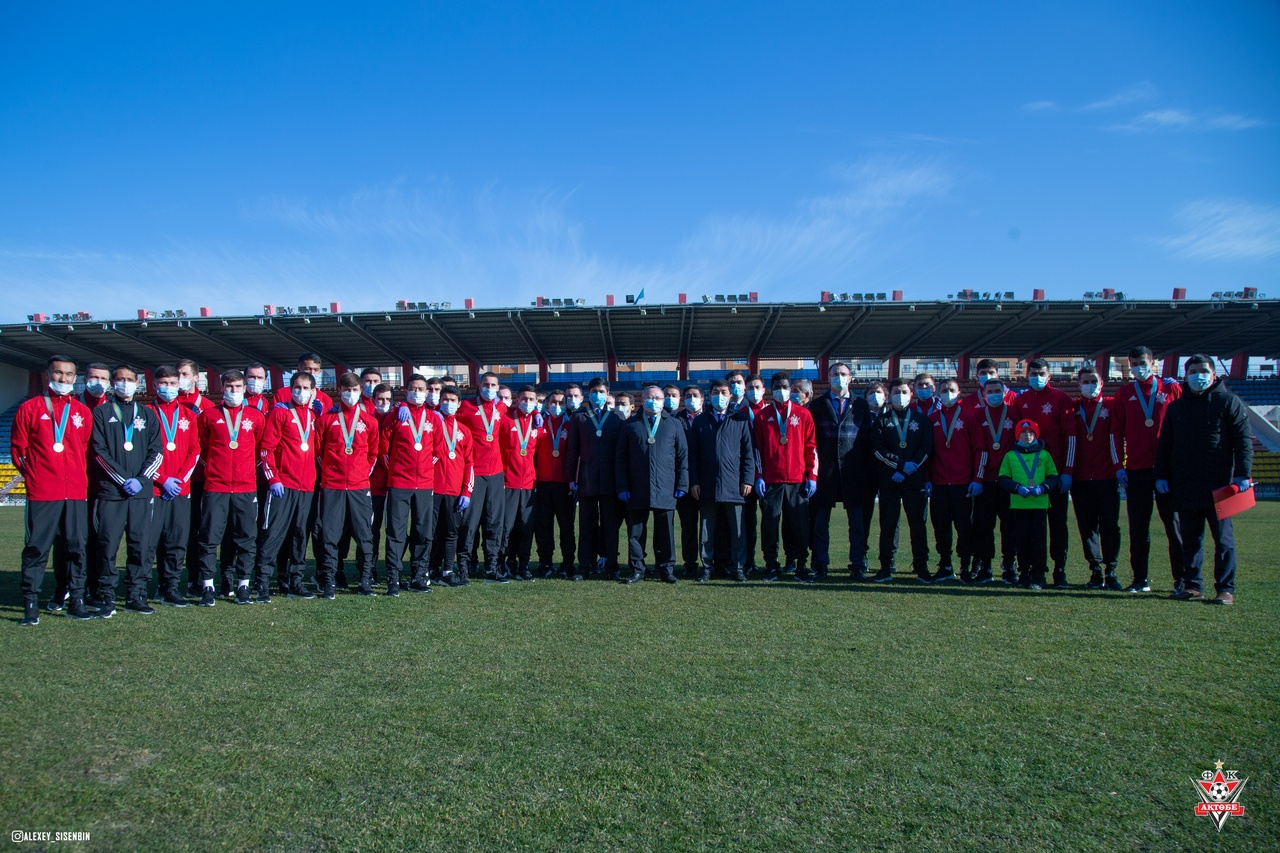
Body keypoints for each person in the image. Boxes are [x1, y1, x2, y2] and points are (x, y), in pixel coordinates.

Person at [1156, 355, 1252, 605]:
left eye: (1203, 371)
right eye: (1193, 371)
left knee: (1223, 539)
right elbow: (1165, 445)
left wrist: (1243, 473)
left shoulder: (1228, 401)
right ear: (1186, 375)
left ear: (1213, 374)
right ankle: (1192, 585)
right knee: (1190, 539)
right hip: (1185, 483)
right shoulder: (1176, 408)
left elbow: (1242, 440)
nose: (1198, 376)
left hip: (1221, 484)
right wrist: (1162, 475)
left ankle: (1225, 589)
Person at [13, 355, 95, 624]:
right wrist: (36, 477)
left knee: (76, 547)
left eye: (69, 374)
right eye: (58, 373)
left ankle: (76, 599)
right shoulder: (30, 408)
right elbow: (19, 449)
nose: (63, 378)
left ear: (75, 377)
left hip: (76, 493)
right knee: (37, 548)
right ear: (48, 375)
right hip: (43, 492)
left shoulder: (82, 412)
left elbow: (84, 449)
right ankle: (31, 603)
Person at [90, 364, 164, 617]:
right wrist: (122, 479)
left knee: (140, 546)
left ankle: (136, 594)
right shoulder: (101, 413)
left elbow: (157, 451)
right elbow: (98, 452)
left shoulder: (147, 414)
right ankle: (106, 595)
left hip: (141, 493)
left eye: (130, 379)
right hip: (112, 493)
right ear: (113, 383)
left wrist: (141, 480)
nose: (125, 383)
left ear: (137, 382)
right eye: (120, 379)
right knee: (107, 546)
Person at [1111, 345, 1183, 593]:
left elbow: (1184, 424)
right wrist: (1119, 465)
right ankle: (1140, 579)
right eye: (1133, 364)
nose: (1137, 368)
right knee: (1138, 527)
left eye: (1142, 363)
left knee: (1174, 525)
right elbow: (1116, 432)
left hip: (1167, 469)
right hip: (1136, 469)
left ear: (1153, 362)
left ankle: (1181, 580)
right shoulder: (1124, 394)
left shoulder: (1170, 389)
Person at [196, 369, 268, 606]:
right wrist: (213, 469)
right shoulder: (208, 416)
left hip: (246, 488)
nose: (233, 391)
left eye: (237, 387)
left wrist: (246, 471)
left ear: (244, 388)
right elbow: (201, 449)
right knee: (209, 537)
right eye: (229, 386)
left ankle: (243, 586)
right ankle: (208, 586)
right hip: (215, 487)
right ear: (222, 388)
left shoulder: (256, 417)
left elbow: (259, 450)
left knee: (246, 537)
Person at [253, 370, 319, 601]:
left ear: (313, 391)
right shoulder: (280, 413)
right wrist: (273, 479)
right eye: (297, 387)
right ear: (291, 390)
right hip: (283, 484)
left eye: (305, 388)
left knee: (300, 535)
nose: (301, 392)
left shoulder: (314, 416)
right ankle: (262, 582)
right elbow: (266, 449)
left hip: (306, 486)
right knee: (273, 533)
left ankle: (296, 581)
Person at [315, 373, 382, 597]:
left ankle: (365, 580)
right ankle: (329, 582)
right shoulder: (326, 420)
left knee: (365, 536)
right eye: (346, 390)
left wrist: (360, 474)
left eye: (354, 390)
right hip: (332, 486)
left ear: (360, 391)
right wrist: (331, 474)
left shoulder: (369, 422)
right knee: (330, 536)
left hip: (359, 487)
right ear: (339, 390)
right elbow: (319, 453)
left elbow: (373, 454)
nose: (350, 394)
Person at [616, 384, 689, 584]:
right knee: (636, 532)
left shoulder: (674, 424)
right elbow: (620, 458)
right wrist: (622, 486)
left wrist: (682, 484)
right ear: (642, 399)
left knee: (665, 531)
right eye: (649, 397)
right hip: (636, 486)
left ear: (663, 401)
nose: (653, 401)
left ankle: (666, 569)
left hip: (666, 486)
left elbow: (682, 456)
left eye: (657, 398)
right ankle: (637, 569)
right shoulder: (630, 424)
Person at [1013, 358, 1076, 588]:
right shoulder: (1021, 401)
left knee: (1058, 524)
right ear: (1027, 376)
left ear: (1049, 376)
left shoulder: (1061, 398)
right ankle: (1031, 571)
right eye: (1033, 373)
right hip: (1029, 478)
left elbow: (1071, 437)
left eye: (1041, 373)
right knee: (1032, 528)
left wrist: (1067, 471)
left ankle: (1060, 570)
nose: (1037, 377)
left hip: (1055, 475)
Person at [382, 374, 445, 595]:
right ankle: (393, 578)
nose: (416, 392)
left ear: (427, 392)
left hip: (425, 484)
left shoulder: (434, 419)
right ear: (406, 390)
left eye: (420, 389)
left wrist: (425, 469)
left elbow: (437, 451)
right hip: (399, 483)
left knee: (423, 532)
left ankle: (419, 576)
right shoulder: (395, 417)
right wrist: (397, 471)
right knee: (396, 532)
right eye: (412, 388)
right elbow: (384, 451)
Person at [753, 371, 818, 581]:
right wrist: (759, 475)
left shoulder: (803, 414)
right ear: (771, 390)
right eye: (777, 387)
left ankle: (800, 565)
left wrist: (812, 477)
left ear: (790, 389)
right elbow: (757, 449)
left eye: (785, 386)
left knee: (799, 526)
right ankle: (771, 565)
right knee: (769, 525)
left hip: (797, 480)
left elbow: (811, 448)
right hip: (771, 480)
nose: (781, 390)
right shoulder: (762, 416)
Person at [145, 365, 201, 607]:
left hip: (180, 488)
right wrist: (161, 478)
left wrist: (179, 480)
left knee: (176, 540)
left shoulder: (188, 414)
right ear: (154, 385)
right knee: (150, 541)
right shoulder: (146, 413)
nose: (168, 388)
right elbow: (142, 454)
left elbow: (194, 450)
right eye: (163, 384)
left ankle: (171, 587)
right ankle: (143, 587)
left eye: (172, 384)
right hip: (154, 488)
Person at [810, 362, 871, 581]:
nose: (839, 377)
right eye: (835, 374)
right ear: (828, 378)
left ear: (850, 378)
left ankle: (857, 564)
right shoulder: (817, 405)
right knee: (820, 524)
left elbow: (866, 439)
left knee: (856, 524)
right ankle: (820, 564)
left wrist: (865, 471)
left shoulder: (861, 405)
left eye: (843, 374)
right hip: (825, 472)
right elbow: (812, 440)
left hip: (853, 472)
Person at [688, 380, 754, 582]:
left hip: (734, 484)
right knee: (706, 531)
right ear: (709, 395)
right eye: (716, 392)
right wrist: (694, 481)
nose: (720, 395)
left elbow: (748, 453)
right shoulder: (700, 421)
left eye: (724, 392)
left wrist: (747, 480)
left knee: (738, 531)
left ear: (730, 395)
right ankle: (707, 567)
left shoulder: (740, 419)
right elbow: (693, 455)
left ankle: (738, 568)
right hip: (707, 484)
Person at [870, 378, 933, 583]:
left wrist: (907, 470)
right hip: (889, 481)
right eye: (896, 392)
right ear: (889, 395)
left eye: (904, 392)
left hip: (914, 480)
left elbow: (926, 449)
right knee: (888, 524)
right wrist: (898, 465)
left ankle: (921, 567)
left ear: (911, 394)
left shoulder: (921, 420)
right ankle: (886, 566)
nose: (901, 396)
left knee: (918, 524)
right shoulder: (882, 420)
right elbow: (878, 450)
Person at [566, 378, 626, 581]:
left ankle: (612, 566)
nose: (597, 395)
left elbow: (621, 452)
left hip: (611, 481)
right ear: (588, 393)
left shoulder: (617, 416)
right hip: (587, 480)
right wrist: (571, 478)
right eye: (593, 391)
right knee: (586, 526)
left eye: (601, 391)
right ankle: (584, 567)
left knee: (611, 527)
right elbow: (572, 450)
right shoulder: (579, 416)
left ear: (607, 393)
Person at [1071, 367, 1123, 591]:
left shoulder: (1112, 405)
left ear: (1102, 383)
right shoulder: (1073, 408)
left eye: (1093, 381)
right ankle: (1095, 569)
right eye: (1085, 381)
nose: (1089, 385)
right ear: (1079, 384)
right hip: (1080, 478)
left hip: (1107, 476)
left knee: (1110, 525)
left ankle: (1111, 570)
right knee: (1087, 526)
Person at [456, 371, 508, 582]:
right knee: (469, 523)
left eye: (493, 385)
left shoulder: (501, 408)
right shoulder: (466, 407)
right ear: (479, 385)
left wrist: (536, 416)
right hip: (474, 473)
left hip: (495, 473)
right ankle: (464, 567)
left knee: (494, 522)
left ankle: (491, 568)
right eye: (486, 384)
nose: (490, 388)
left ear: (498, 388)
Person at [998, 419, 1060, 589]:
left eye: (1031, 432)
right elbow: (1003, 478)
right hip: (1019, 505)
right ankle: (1024, 573)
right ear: (1018, 435)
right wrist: (1017, 488)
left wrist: (1043, 488)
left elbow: (1053, 477)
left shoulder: (1044, 455)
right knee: (1022, 541)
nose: (1027, 435)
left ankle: (1039, 575)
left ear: (1036, 435)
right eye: (1023, 432)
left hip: (1039, 505)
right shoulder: (1010, 455)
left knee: (1039, 542)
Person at [926, 377, 976, 583]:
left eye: (952, 390)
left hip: (962, 483)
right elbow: (927, 452)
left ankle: (965, 567)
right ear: (938, 394)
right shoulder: (932, 419)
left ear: (959, 393)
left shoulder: (969, 417)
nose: (948, 393)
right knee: (941, 526)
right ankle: (945, 565)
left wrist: (977, 478)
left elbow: (978, 450)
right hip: (938, 483)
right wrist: (927, 478)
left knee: (964, 526)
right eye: (944, 390)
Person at [970, 377, 1019, 584]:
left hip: (1009, 480)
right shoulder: (978, 415)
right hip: (986, 480)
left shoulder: (1015, 413)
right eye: (989, 392)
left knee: (1010, 526)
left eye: (997, 391)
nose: (993, 395)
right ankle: (986, 566)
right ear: (984, 394)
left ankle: (1009, 565)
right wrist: (978, 478)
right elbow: (979, 448)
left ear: (1005, 392)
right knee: (984, 526)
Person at [433, 386, 475, 587]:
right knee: (429, 532)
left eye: (452, 400)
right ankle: (428, 569)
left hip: (454, 490)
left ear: (459, 404)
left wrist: (466, 491)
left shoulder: (464, 431)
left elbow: (469, 463)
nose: (448, 403)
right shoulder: (431, 424)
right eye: (445, 399)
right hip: (432, 488)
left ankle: (448, 570)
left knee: (451, 532)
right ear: (439, 401)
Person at [499, 386, 542, 581]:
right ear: (517, 400)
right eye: (524, 398)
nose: (527, 402)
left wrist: (536, 414)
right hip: (508, 482)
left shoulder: (537, 423)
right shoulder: (505, 419)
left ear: (536, 402)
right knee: (506, 527)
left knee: (526, 526)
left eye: (531, 399)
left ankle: (524, 564)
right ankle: (504, 562)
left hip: (529, 484)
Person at [534, 390, 575, 578]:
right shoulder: (539, 424)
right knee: (543, 526)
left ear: (565, 405)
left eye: (560, 403)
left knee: (566, 527)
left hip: (564, 484)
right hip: (542, 483)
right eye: (553, 402)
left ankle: (568, 563)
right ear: (547, 404)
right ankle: (545, 562)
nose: (556, 406)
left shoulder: (571, 425)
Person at [857, 381, 889, 573]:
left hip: (889, 473)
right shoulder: (860, 415)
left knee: (889, 518)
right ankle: (862, 555)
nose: (875, 395)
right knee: (864, 517)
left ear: (885, 395)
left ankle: (888, 558)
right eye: (871, 392)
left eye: (878, 392)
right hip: (866, 473)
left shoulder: (892, 416)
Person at [675, 385, 703, 577]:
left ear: (702, 399)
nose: (691, 399)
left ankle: (713, 563)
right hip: (684, 483)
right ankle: (690, 564)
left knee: (711, 527)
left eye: (695, 395)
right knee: (688, 527)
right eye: (688, 396)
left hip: (707, 481)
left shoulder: (709, 418)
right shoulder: (676, 420)